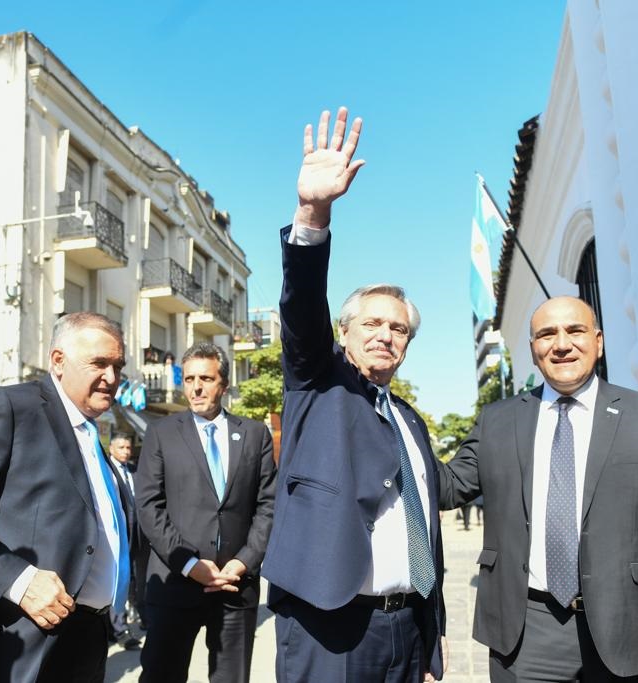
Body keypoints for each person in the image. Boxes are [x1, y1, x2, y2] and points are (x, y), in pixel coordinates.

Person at [438, 296, 638, 682]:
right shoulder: (498, 421)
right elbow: (446, 488)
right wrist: (387, 420)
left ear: (598, 341)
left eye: (575, 331)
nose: (562, 344)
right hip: (526, 633)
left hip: (631, 628)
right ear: (534, 350)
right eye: (547, 334)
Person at [260, 107, 446, 682]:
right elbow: (300, 309)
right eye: (373, 324)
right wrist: (313, 213)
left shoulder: (410, 420)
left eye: (399, 328)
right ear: (344, 332)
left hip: (407, 627)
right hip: (330, 626)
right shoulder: (319, 380)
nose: (386, 335)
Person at [0, 311, 132, 683]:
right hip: (23, 639)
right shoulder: (13, 407)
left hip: (90, 638)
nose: (112, 378)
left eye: (118, 366)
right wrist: (16, 580)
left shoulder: (89, 431)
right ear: (58, 360)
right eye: (99, 363)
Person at [136, 342, 276, 683]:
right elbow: (149, 505)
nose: (196, 387)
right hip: (175, 581)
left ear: (223, 385)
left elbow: (268, 504)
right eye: (189, 379)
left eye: (206, 378)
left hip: (234, 584)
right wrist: (189, 564)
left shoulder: (255, 435)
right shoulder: (161, 433)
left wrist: (244, 561)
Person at [108, 433, 142, 650]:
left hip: (135, 537)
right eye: (121, 447)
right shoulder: (106, 470)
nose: (126, 452)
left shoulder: (133, 470)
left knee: (133, 581)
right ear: (111, 448)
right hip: (115, 537)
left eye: (128, 448)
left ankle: (126, 622)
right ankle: (119, 630)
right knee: (117, 582)